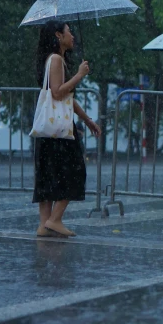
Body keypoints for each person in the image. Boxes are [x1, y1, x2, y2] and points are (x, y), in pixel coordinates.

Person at [33, 19, 101, 238]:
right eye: (68, 32)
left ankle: (45, 226)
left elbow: (67, 99)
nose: (72, 36)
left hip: (50, 130)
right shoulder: (55, 60)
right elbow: (58, 92)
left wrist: (88, 120)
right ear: (58, 36)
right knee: (75, 172)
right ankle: (54, 220)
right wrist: (80, 75)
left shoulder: (55, 59)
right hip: (59, 131)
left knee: (47, 176)